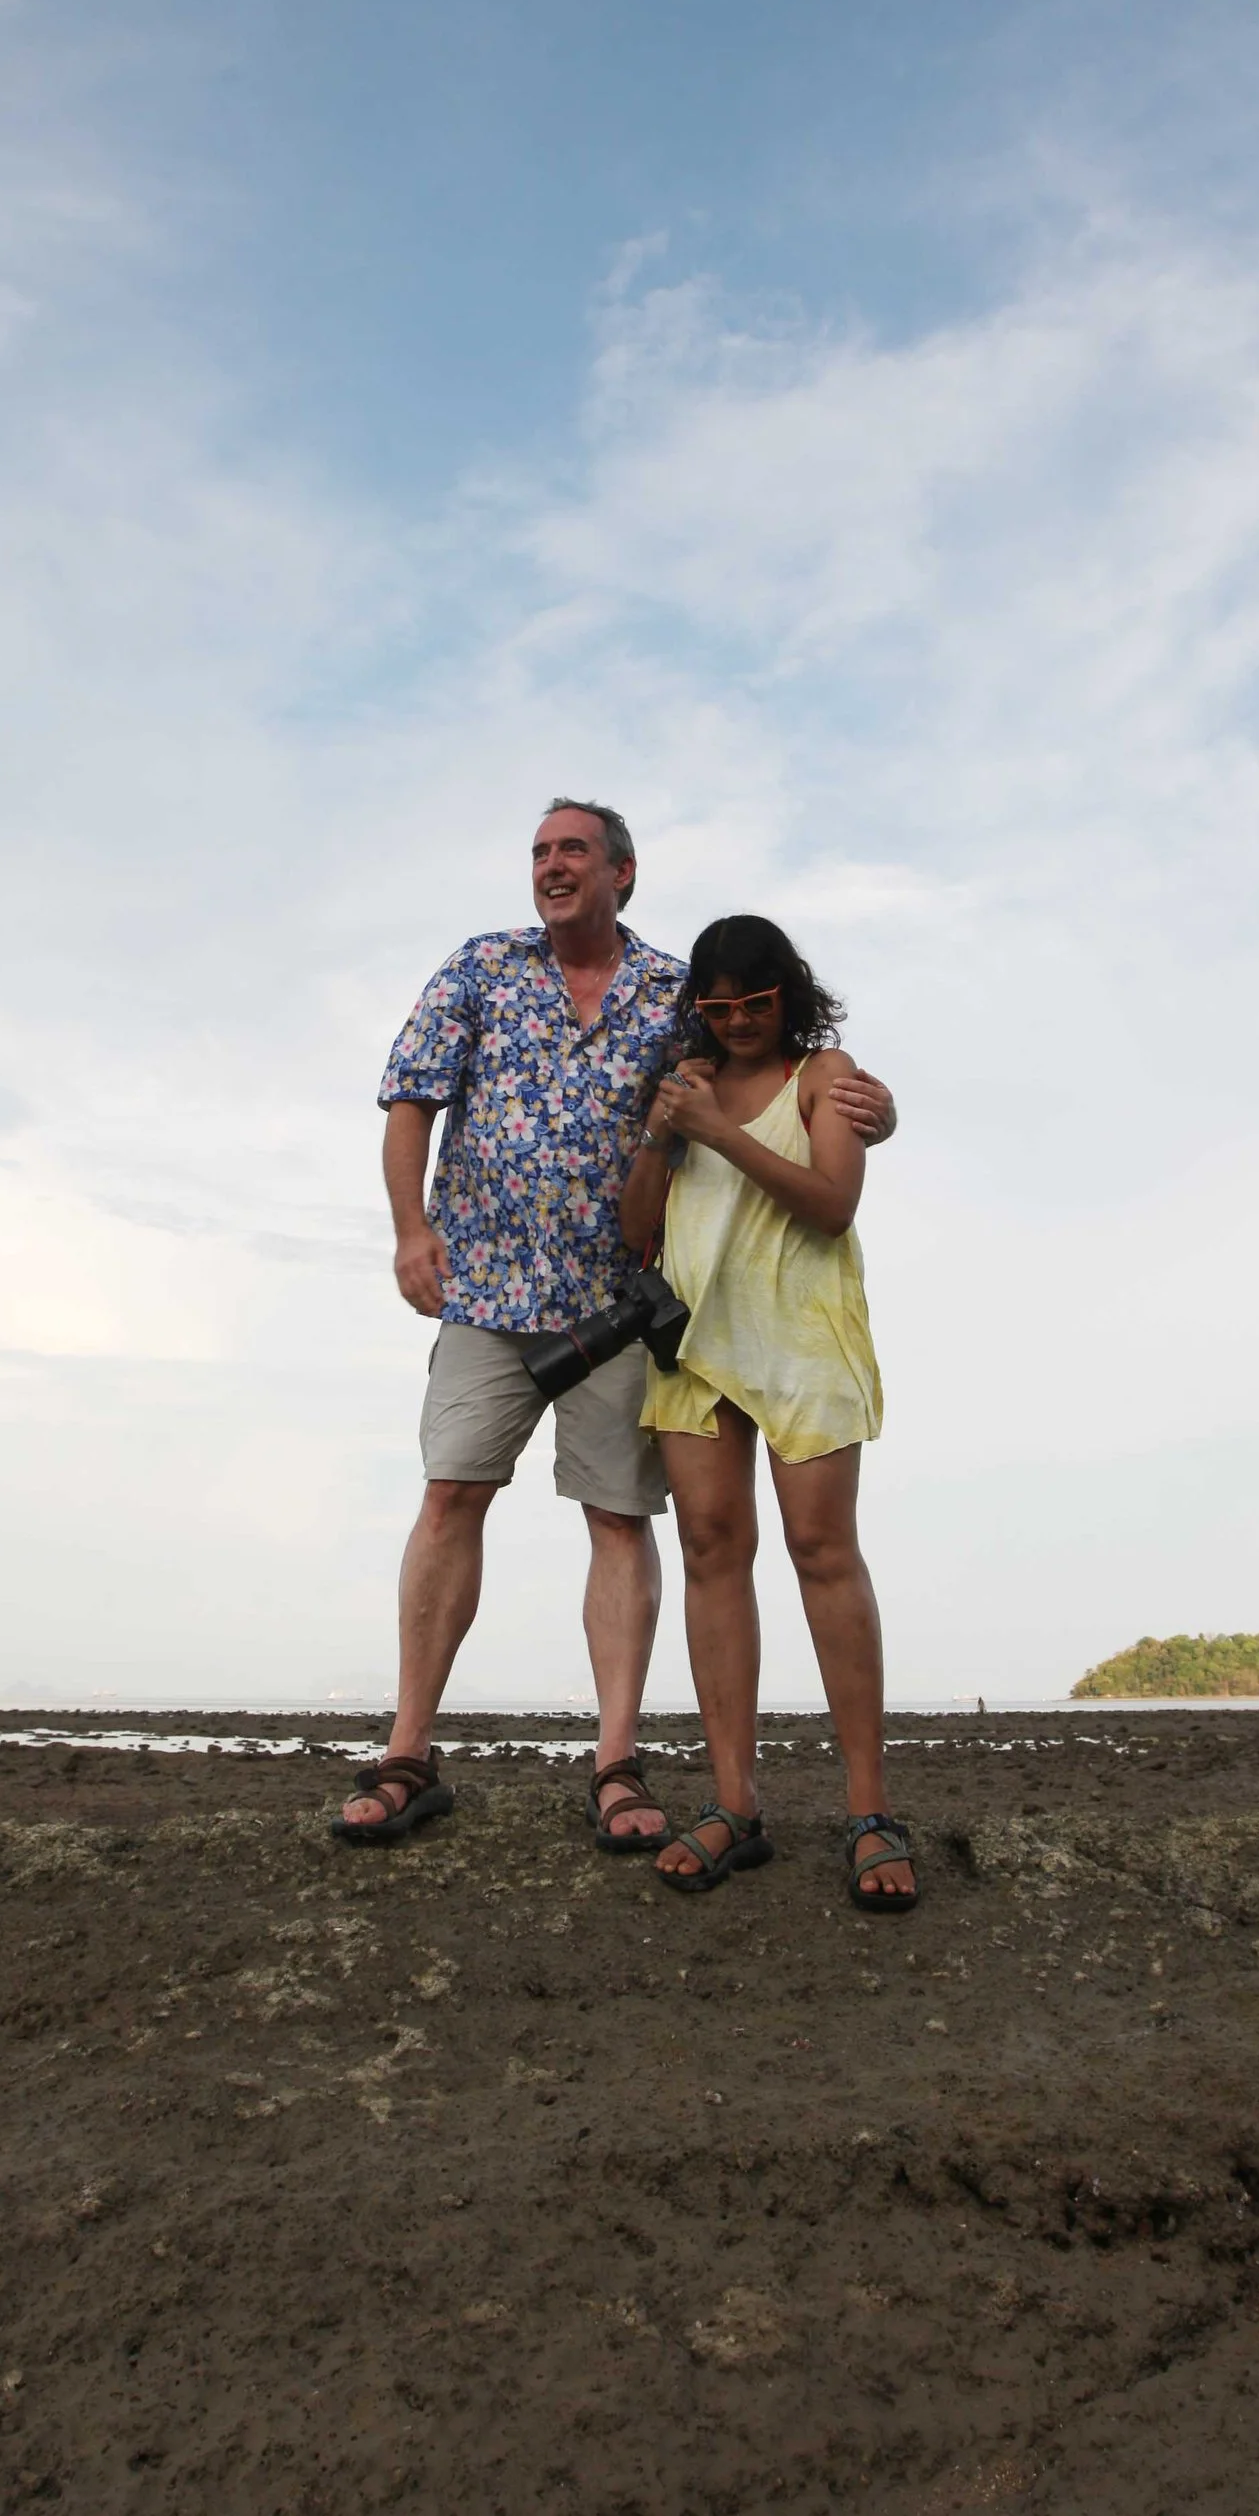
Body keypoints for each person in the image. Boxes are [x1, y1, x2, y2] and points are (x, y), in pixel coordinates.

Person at [338, 806, 898, 1848]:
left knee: (621, 1518)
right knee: (455, 1493)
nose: (552, 866)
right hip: (490, 1291)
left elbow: (786, 1081)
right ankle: (410, 1752)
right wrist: (411, 1230)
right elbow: (409, 1097)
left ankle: (622, 1766)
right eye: (541, 853)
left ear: (621, 874)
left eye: (573, 851)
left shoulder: (670, 989)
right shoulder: (482, 966)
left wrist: (873, 1100)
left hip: (623, 1304)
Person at [617, 913, 914, 1913]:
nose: (737, 1021)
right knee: (708, 1547)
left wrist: (718, 1133)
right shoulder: (684, 1088)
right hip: (694, 1343)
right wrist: (667, 1133)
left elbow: (831, 1204)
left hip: (801, 1335)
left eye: (754, 1002)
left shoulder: (827, 1075)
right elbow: (635, 1227)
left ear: (787, 994)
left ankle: (870, 1812)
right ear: (696, 1007)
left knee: (821, 1550)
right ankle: (735, 1807)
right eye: (717, 1006)